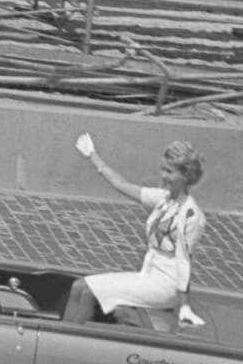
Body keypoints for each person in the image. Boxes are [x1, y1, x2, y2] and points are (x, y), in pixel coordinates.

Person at [65, 133, 207, 327]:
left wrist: (184, 306)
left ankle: (72, 346)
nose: (164, 176)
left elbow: (184, 261)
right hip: (147, 276)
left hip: (166, 286)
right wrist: (92, 155)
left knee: (90, 294)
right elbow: (121, 185)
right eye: (163, 169)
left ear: (186, 176)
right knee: (78, 286)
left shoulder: (191, 215)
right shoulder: (163, 199)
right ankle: (55, 341)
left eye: (170, 172)